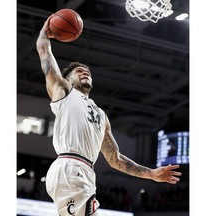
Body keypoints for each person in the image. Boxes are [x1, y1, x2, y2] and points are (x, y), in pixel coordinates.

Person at [36, 15, 182, 216]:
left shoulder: (101, 115)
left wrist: (151, 174)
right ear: (67, 79)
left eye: (87, 71)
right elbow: (45, 57)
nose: (84, 72)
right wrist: (44, 34)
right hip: (70, 167)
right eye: (79, 71)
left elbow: (116, 159)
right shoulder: (64, 92)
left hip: (84, 172)